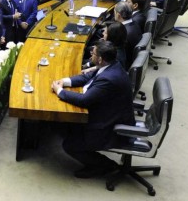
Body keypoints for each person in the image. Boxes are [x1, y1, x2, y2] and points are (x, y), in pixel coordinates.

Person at [51, 40, 135, 178]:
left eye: (93, 53)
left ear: (100, 59)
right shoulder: (112, 65)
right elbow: (88, 76)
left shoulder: (109, 78)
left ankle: (105, 165)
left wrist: (60, 91)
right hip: (110, 113)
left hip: (109, 126)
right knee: (65, 126)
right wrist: (64, 82)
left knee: (69, 145)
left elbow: (84, 100)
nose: (91, 54)